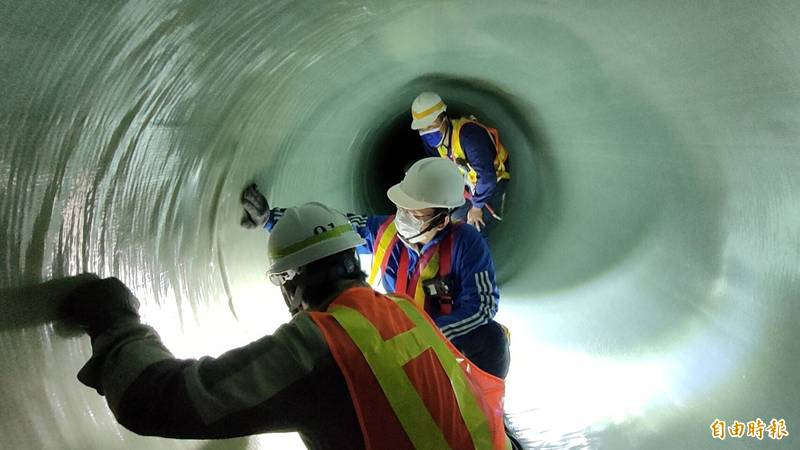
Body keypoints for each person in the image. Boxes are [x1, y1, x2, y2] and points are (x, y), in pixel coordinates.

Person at [64, 202, 514, 449]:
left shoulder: (318, 342)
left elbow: (159, 400)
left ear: (288, 285)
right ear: (352, 259)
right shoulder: (404, 309)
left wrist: (117, 323)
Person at [242, 158, 511, 379]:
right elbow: (333, 230)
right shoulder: (385, 232)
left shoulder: (466, 243)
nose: (403, 218)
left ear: (441, 220)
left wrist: (428, 334)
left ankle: (485, 414)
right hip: (396, 335)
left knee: (492, 339)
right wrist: (271, 219)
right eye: (401, 208)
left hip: (445, 339)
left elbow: (483, 306)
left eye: (414, 214)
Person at [410, 91, 511, 235]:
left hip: (494, 178)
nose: (427, 131)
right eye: (422, 128)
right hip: (467, 181)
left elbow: (487, 178)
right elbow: (438, 165)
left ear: (444, 118)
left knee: (472, 227)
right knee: (451, 217)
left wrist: (476, 208)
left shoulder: (470, 136)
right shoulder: (430, 140)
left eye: (431, 125)